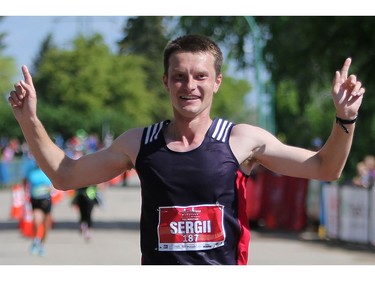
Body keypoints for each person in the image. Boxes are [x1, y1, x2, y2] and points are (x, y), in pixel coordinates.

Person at [8, 34, 365, 265]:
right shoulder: (139, 143)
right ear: (166, 81)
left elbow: (324, 168)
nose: (189, 85)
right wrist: (29, 120)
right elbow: (65, 175)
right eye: (179, 76)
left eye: (200, 76)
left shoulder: (241, 140)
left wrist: (344, 119)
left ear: (217, 82)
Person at [23, 161, 54, 257]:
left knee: (46, 225)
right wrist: (25, 192)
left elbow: (55, 183)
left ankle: (42, 245)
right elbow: (24, 182)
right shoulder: (31, 172)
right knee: (37, 221)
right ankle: (36, 240)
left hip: (47, 200)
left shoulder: (48, 171)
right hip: (35, 200)